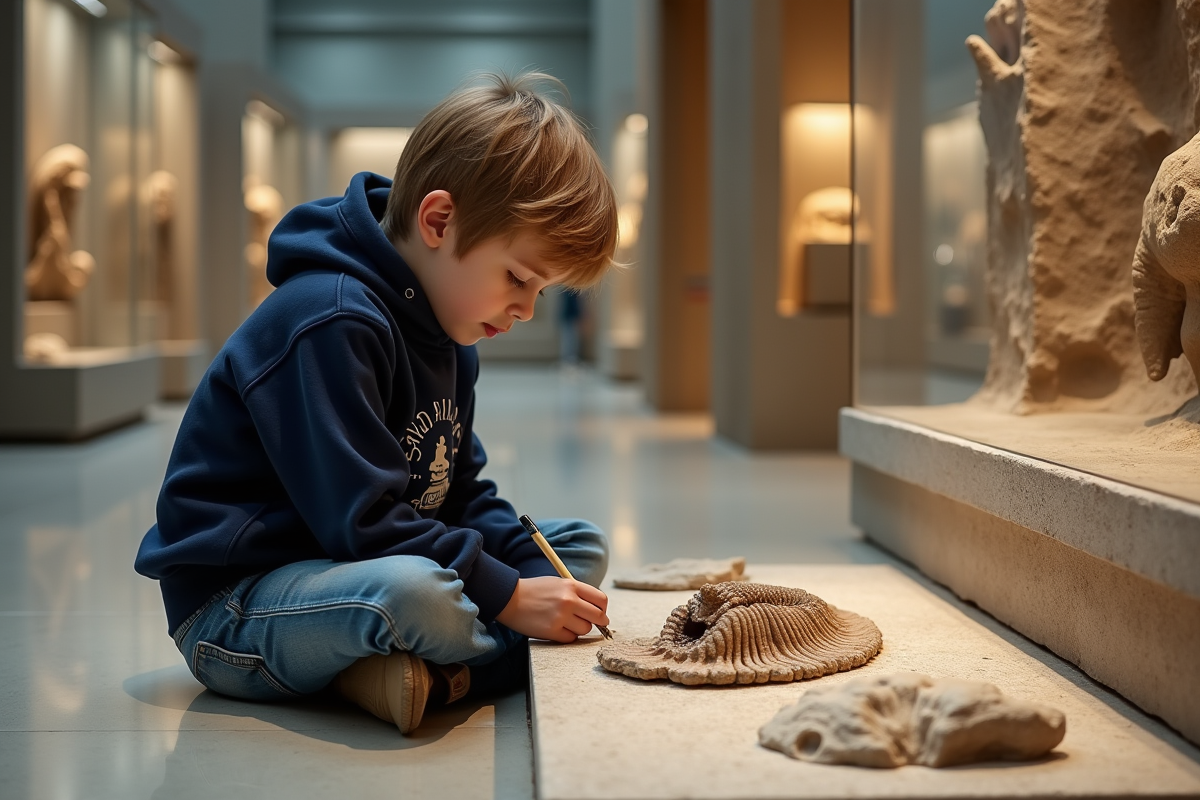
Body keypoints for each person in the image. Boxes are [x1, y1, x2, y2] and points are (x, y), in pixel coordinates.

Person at [134, 72, 619, 735]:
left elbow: (463, 494)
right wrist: (507, 597)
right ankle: (467, 673)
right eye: (518, 278)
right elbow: (362, 523)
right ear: (439, 221)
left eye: (541, 291)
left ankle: (411, 672)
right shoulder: (329, 319)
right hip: (241, 605)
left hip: (352, 567)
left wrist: (533, 580)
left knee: (572, 550)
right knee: (417, 596)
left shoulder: (450, 336)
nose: (527, 310)